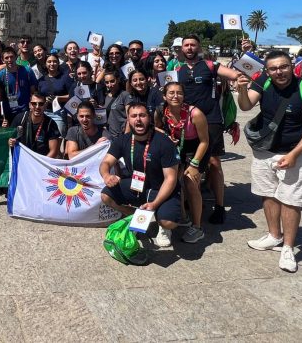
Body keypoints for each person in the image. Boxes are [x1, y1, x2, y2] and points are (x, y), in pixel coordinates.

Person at [236, 50, 302, 272]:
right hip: (264, 150)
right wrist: (241, 89)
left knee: (291, 200)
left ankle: (287, 247)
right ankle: (274, 235)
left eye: (283, 66)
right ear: (267, 70)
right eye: (273, 68)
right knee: (268, 194)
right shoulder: (263, 82)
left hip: (295, 153)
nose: (279, 72)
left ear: (292, 66)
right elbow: (246, 106)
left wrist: (294, 154)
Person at [177, 34, 243, 224]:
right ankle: (192, 200)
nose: (190, 48)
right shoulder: (177, 70)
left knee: (214, 162)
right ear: (182, 48)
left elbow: (235, 75)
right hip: (187, 120)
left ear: (199, 47)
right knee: (188, 161)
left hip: (211, 119)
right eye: (186, 45)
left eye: (193, 45)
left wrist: (242, 68)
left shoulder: (210, 65)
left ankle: (220, 206)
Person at [99, 103, 182, 248]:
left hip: (161, 189)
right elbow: (106, 162)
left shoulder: (164, 142)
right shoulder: (123, 140)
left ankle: (163, 226)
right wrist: (106, 176)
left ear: (149, 118)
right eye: (134, 116)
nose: (138, 119)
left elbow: (171, 178)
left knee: (169, 222)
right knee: (106, 196)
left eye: (142, 115)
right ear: (128, 120)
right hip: (138, 186)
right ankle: (135, 215)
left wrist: (154, 204)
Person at [155, 82, 209, 243]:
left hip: (196, 148)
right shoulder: (160, 111)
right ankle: (183, 217)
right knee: (171, 180)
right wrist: (166, 136)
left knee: (190, 182)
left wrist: (194, 164)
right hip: (176, 147)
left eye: (179, 93)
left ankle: (197, 228)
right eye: (171, 93)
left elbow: (205, 141)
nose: (175, 96)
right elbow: (155, 128)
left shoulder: (195, 113)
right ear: (164, 96)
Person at [8, 92, 60, 158]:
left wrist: (40, 163)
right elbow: (9, 138)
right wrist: (10, 142)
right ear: (30, 105)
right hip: (21, 159)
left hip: (41, 160)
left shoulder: (51, 124)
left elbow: (54, 151)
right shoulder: (20, 118)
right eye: (34, 104)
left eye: (41, 104)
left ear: (45, 105)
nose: (37, 107)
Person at [0, 47, 37, 123]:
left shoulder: (27, 71)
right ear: (2, 60)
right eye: (6, 58)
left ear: (16, 58)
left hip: (24, 110)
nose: (9, 60)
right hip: (8, 111)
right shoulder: (0, 75)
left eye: (11, 57)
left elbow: (33, 92)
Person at [37, 53, 73, 136]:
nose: (52, 64)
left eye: (54, 61)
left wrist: (58, 98)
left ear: (58, 63)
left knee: (59, 136)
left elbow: (71, 96)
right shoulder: (41, 80)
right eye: (49, 61)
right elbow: (38, 96)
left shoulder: (65, 78)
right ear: (45, 64)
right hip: (44, 112)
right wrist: (44, 100)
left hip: (59, 113)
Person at [102, 70, 128, 137]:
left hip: (122, 135)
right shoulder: (107, 97)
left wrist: (126, 135)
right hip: (110, 135)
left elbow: (130, 117)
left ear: (118, 80)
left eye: (112, 81)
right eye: (107, 82)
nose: (110, 85)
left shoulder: (125, 95)